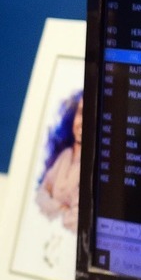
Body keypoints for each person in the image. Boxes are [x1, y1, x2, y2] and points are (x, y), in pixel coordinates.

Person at [35, 90, 83, 229]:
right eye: (81, 113)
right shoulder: (65, 155)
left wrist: (51, 204)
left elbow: (76, 220)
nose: (83, 122)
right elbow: (40, 195)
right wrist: (62, 207)